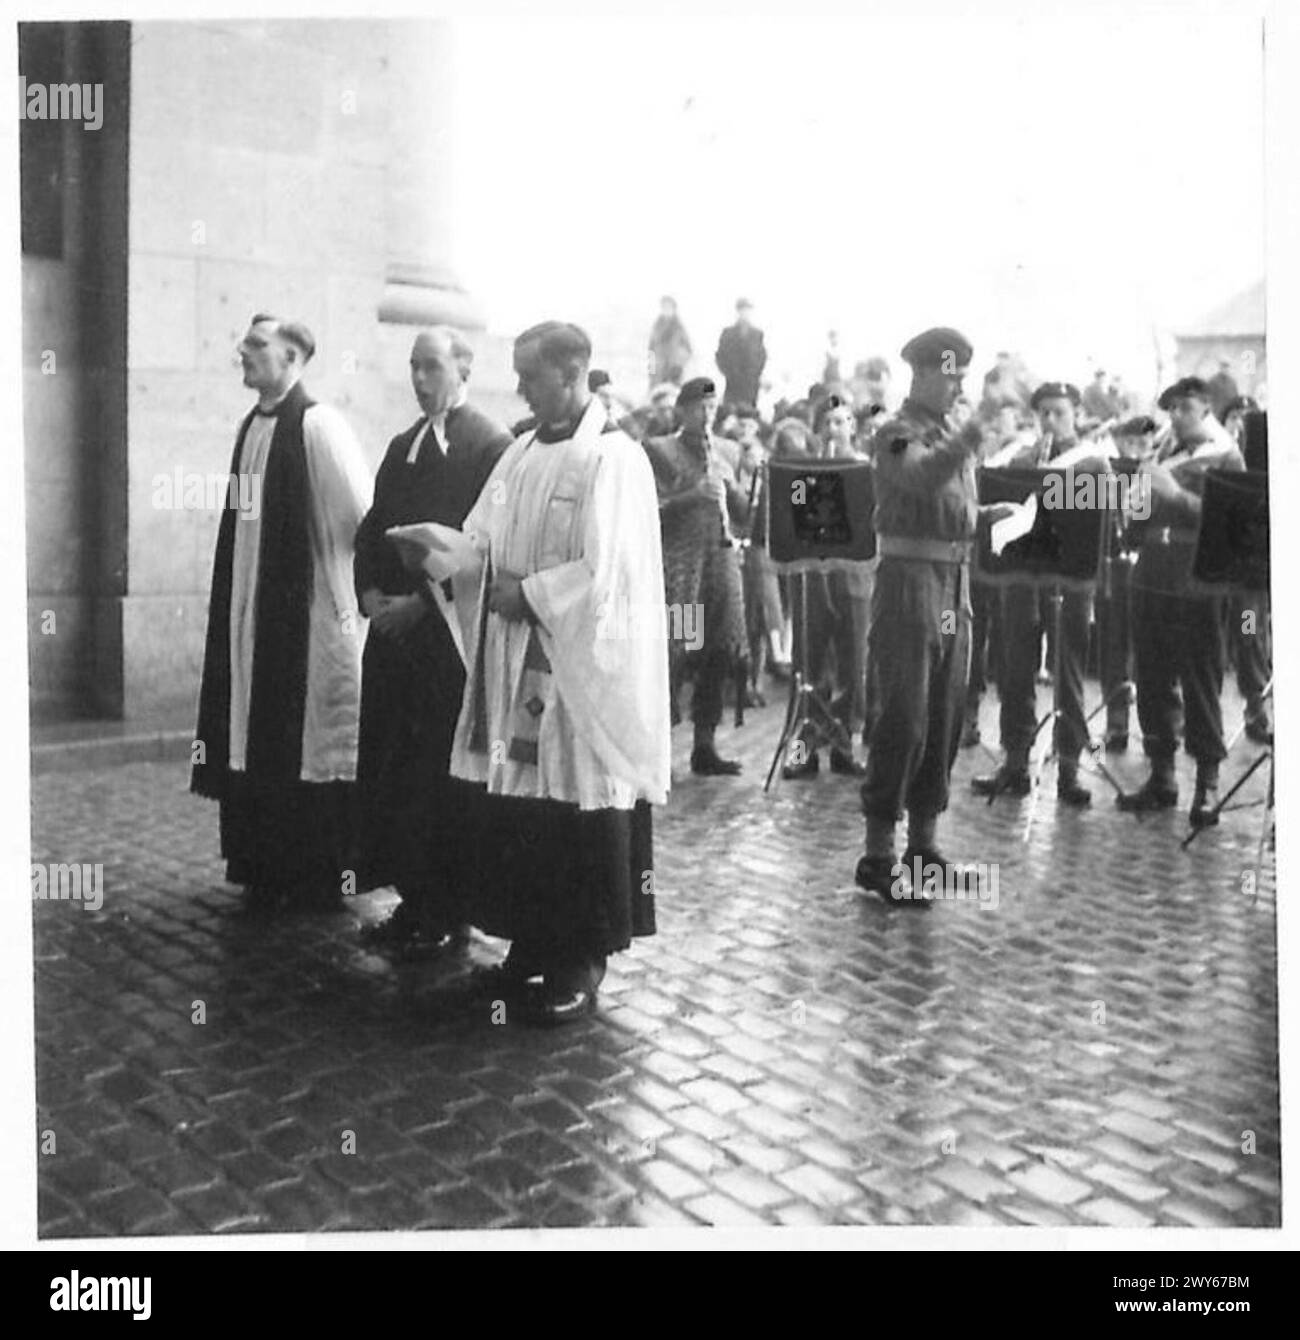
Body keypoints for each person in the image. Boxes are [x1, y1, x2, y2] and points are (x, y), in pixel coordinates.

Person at [436, 321, 669, 1025]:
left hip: (577, 673)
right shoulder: (517, 453)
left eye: (529, 376)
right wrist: (449, 555)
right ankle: (530, 947)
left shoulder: (613, 458)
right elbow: (481, 533)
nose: (519, 389)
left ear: (571, 375)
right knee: (523, 808)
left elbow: (610, 572)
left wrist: (532, 595)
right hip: (515, 659)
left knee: (573, 803)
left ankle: (579, 961)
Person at [192, 313, 373, 914]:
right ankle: (264, 866)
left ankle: (316, 875)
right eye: (244, 342)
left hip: (311, 617)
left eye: (257, 344)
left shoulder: (319, 426)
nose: (242, 352)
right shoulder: (252, 426)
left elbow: (361, 518)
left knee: (305, 738)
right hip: (254, 614)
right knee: (252, 730)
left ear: (293, 357)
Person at [352, 328, 512, 957]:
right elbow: (372, 529)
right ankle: (411, 899)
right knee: (394, 771)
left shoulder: (490, 446)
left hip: (446, 643)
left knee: (439, 777)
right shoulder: (402, 447)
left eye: (432, 367)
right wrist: (369, 592)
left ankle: (447, 909)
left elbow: (486, 546)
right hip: (392, 642)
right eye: (414, 367)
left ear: (463, 367)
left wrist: (421, 605)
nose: (420, 380)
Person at [854, 327, 1016, 904]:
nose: (958, 388)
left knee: (944, 716)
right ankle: (878, 856)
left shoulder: (949, 436)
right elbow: (921, 477)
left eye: (962, 377)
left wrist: (990, 514)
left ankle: (923, 849)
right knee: (904, 717)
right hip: (909, 585)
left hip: (953, 584)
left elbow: (949, 506)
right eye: (950, 376)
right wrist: (974, 432)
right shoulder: (894, 433)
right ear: (920, 374)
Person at [1117, 377, 1244, 826]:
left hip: (1197, 578)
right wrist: (1133, 507)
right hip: (1152, 574)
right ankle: (1162, 775)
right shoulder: (1160, 454)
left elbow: (1233, 524)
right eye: (1171, 409)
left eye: (1186, 407)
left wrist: (1175, 496)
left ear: (1206, 408)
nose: (1177, 416)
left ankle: (1207, 783)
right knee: (1151, 679)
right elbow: (1137, 526)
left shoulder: (1226, 455)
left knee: (1200, 680)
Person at [971, 382, 1097, 807]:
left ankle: (1070, 768)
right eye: (1044, 413)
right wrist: (1027, 469)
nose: (1050, 421)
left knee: (1069, 671)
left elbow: (1113, 513)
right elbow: (996, 496)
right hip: (1023, 574)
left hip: (1069, 580)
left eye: (1060, 412)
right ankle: (1015, 761)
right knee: (1015, 665)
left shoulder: (1094, 460)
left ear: (1077, 414)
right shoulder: (1021, 456)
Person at [643, 377, 749, 774]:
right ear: (682, 410)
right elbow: (650, 507)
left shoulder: (729, 451)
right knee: (678, 648)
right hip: (683, 567)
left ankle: (705, 743)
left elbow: (744, 513)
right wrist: (693, 493)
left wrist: (732, 486)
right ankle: (659, 744)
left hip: (720, 562)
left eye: (712, 408)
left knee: (721, 646)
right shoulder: (658, 450)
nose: (707, 416)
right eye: (699, 409)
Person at [1097, 415, 1160, 751]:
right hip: (1116, 569)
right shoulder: (1105, 471)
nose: (1138, 448)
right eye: (1131, 441)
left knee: (1153, 652)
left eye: (1144, 442)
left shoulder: (1159, 471)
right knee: (1114, 647)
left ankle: (1158, 734)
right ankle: (1116, 725)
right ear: (1119, 441)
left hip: (1153, 571)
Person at [715, 298, 767, 409]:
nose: (745, 314)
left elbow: (762, 356)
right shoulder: (728, 333)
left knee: (749, 412)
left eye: (747, 310)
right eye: (742, 310)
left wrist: (756, 374)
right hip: (733, 383)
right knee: (731, 410)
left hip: (751, 384)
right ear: (737, 312)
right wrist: (729, 373)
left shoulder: (757, 334)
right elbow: (720, 356)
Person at [648, 295, 692, 389]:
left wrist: (678, 366)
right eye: (664, 307)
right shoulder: (656, 327)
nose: (666, 310)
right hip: (658, 375)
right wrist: (652, 373)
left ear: (674, 309)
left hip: (674, 375)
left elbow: (688, 350)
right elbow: (651, 351)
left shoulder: (679, 328)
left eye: (669, 307)